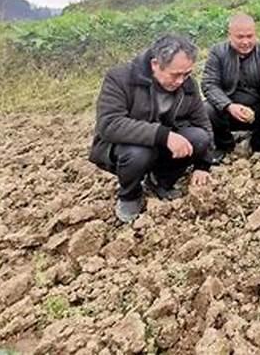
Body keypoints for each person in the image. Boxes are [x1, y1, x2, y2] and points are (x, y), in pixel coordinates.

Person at [89, 35, 212, 223]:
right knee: (139, 153)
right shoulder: (121, 78)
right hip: (125, 149)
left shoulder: (188, 85)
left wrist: (203, 165)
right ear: (155, 64)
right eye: (175, 74)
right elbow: (109, 124)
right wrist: (163, 136)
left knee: (199, 138)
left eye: (186, 74)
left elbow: (203, 124)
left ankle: (160, 181)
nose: (181, 81)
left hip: (162, 146)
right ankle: (130, 195)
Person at [202, 13, 260, 162]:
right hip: (228, 111)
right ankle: (225, 145)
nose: (245, 42)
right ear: (230, 35)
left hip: (256, 110)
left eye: (250, 36)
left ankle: (258, 142)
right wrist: (228, 106)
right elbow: (209, 84)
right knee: (207, 109)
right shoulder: (217, 53)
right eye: (240, 37)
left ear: (255, 34)